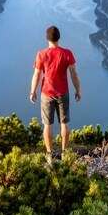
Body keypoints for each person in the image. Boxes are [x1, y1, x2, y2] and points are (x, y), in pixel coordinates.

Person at [29, 25, 81, 163]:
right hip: (63, 93)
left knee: (47, 125)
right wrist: (78, 90)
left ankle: (49, 155)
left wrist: (32, 91)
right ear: (59, 37)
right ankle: (64, 153)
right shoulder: (67, 53)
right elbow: (74, 74)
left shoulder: (41, 54)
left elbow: (36, 75)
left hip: (46, 93)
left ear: (47, 38)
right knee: (64, 124)